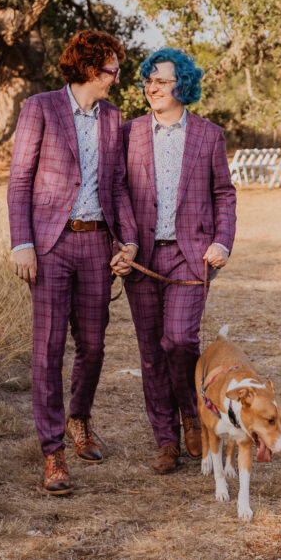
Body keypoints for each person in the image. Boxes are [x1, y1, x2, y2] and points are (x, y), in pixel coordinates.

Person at [8, 30, 138, 496]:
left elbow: (118, 185)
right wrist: (21, 242)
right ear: (88, 68)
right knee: (47, 350)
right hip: (49, 246)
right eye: (111, 70)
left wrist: (129, 241)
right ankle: (52, 450)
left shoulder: (114, 118)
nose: (116, 78)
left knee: (94, 345)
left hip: (97, 244)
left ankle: (79, 420)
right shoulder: (40, 107)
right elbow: (20, 180)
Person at [111, 48, 237, 473]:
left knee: (179, 341)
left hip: (190, 256)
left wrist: (223, 241)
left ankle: (191, 413)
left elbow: (224, 193)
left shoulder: (208, 135)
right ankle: (166, 439)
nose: (152, 88)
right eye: (148, 81)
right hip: (142, 257)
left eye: (162, 81)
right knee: (150, 351)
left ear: (182, 84)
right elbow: (118, 193)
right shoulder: (128, 134)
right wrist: (125, 243)